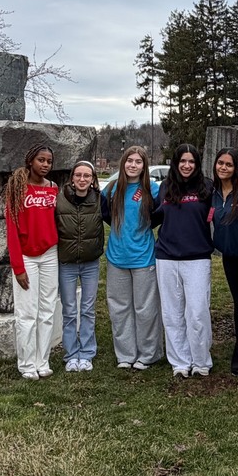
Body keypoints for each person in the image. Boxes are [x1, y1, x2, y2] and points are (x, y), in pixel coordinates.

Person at [101, 145, 164, 370]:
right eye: (130, 161)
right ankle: (126, 354)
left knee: (145, 308)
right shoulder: (111, 189)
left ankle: (149, 353)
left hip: (143, 257)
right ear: (123, 163)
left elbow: (161, 214)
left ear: (144, 166)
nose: (133, 165)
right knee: (119, 308)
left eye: (138, 162)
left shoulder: (153, 190)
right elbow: (105, 214)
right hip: (117, 257)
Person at [155, 143, 215, 378]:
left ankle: (201, 361)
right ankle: (180, 361)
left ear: (197, 164)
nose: (187, 165)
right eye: (183, 161)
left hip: (197, 257)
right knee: (172, 312)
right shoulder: (165, 187)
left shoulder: (207, 187)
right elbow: (154, 214)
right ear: (176, 163)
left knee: (198, 311)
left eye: (191, 161)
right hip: (167, 256)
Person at [5, 144, 59, 380]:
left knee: (47, 311)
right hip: (27, 256)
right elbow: (11, 229)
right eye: (41, 160)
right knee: (27, 313)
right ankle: (26, 364)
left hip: (50, 255)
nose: (45, 165)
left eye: (49, 161)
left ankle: (42, 360)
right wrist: (18, 267)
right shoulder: (17, 188)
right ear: (30, 161)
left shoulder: (53, 188)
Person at [55, 161, 105, 373]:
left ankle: (86, 353)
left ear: (93, 179)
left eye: (87, 176)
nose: (82, 179)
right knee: (69, 311)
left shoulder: (99, 200)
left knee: (87, 310)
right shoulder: (59, 199)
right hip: (66, 263)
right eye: (78, 175)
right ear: (72, 178)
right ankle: (71, 354)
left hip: (90, 263)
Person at [211, 147, 238, 376]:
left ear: (236, 167)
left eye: (228, 164)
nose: (223, 168)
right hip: (230, 258)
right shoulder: (214, 191)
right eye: (220, 163)